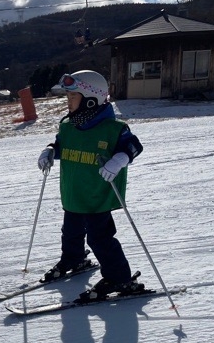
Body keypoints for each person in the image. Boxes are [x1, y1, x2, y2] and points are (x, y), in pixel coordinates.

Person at [37, 70, 144, 301]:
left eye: (73, 97)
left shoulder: (113, 129)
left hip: (98, 197)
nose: (68, 102)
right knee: (71, 232)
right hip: (74, 194)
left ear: (91, 100)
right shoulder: (68, 126)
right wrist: (50, 151)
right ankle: (74, 258)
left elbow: (134, 146)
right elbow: (60, 143)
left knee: (100, 238)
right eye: (67, 97)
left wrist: (120, 159)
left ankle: (119, 277)